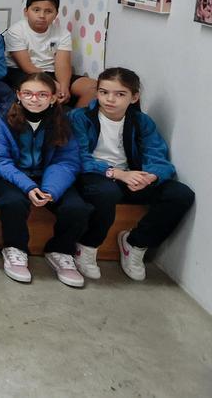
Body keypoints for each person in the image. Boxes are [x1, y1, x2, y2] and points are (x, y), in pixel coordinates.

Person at [70, 68, 194, 281]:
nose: (110, 99)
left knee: (180, 194)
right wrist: (116, 173)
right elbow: (80, 158)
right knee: (106, 193)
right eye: (104, 92)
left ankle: (135, 244)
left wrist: (151, 176)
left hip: (131, 176)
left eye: (120, 94)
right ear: (97, 93)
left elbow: (158, 156)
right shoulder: (80, 117)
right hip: (95, 175)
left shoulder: (141, 121)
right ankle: (88, 246)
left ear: (134, 97)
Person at [0, 73, 89, 288]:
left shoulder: (64, 119)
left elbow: (68, 161)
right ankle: (15, 249)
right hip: (13, 173)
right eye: (28, 93)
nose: (34, 99)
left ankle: (60, 250)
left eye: (42, 94)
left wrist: (50, 189)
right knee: (12, 202)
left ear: (53, 98)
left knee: (76, 207)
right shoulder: (1, 117)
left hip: (50, 176)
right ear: (18, 95)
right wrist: (28, 186)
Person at [4, 0, 97, 107]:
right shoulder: (16, 31)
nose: (42, 16)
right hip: (23, 72)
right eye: (36, 10)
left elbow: (62, 64)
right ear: (26, 12)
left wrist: (63, 86)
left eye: (48, 11)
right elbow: (27, 66)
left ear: (56, 14)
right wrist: (52, 84)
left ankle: (75, 121)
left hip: (52, 72)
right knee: (43, 89)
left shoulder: (63, 33)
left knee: (93, 88)